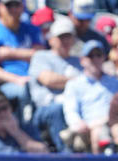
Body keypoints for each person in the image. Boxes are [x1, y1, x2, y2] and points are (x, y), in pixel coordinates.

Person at [0, 0, 43, 114]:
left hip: (36, 79)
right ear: (0, 7)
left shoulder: (32, 29)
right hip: (6, 84)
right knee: (22, 91)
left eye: (16, 5)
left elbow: (41, 55)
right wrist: (16, 79)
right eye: (8, 6)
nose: (13, 10)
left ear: (22, 7)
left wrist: (9, 53)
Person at [28, 19, 81, 152]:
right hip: (45, 109)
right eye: (61, 37)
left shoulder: (79, 61)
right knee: (58, 109)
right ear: (51, 39)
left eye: (68, 36)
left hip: (74, 108)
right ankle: (66, 157)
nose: (65, 40)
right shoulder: (41, 56)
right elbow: (49, 80)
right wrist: (77, 81)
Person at [62, 40, 118, 154]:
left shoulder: (114, 82)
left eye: (98, 55)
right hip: (86, 129)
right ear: (82, 60)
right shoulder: (74, 84)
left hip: (111, 125)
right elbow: (70, 110)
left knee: (100, 131)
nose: (95, 60)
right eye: (90, 56)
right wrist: (78, 123)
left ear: (104, 58)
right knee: (97, 133)